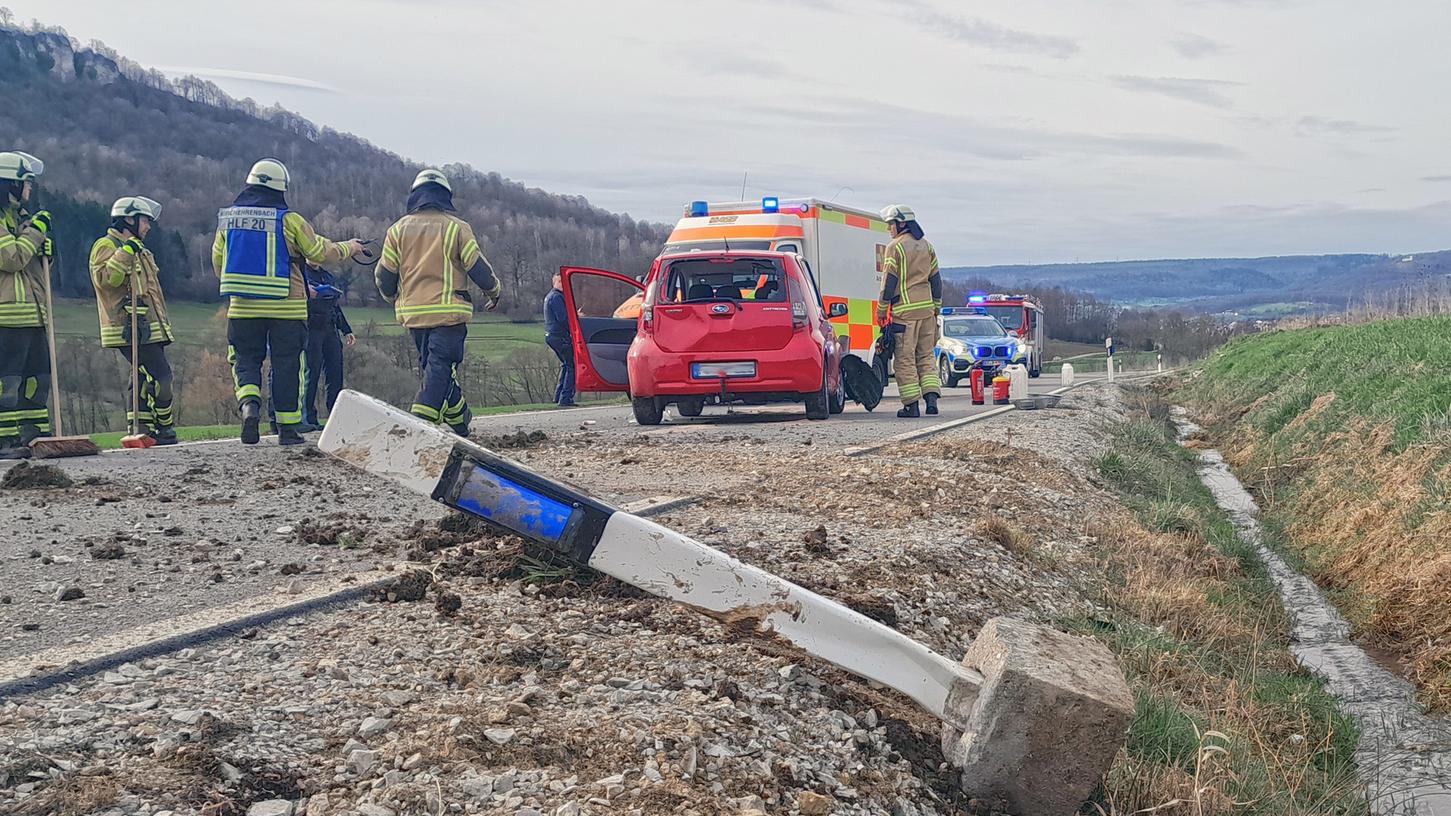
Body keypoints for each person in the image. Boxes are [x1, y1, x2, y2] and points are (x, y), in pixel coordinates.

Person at [212, 158, 366, 446]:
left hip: (242, 307)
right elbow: (319, 252)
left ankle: (249, 405)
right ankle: (287, 430)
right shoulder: (290, 220)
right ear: (281, 188)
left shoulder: (228, 221)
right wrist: (350, 248)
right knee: (287, 365)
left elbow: (218, 262)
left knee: (245, 360)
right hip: (287, 307)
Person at [375, 168, 501, 435]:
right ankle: (422, 419)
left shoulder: (397, 230)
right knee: (441, 365)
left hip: (413, 314)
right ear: (446, 197)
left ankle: (459, 417)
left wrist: (391, 296)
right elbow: (477, 266)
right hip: (449, 313)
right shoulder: (457, 228)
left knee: (434, 368)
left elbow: (384, 274)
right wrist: (494, 291)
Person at [89, 196, 177, 444]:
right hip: (126, 328)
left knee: (140, 377)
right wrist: (124, 253)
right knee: (162, 377)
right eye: (145, 220)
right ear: (129, 219)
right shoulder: (105, 245)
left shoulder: (142, 249)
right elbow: (107, 281)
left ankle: (140, 428)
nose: (148, 226)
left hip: (149, 326)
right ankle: (165, 427)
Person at [0, 151, 52, 460]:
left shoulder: (17, 220)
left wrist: (46, 252)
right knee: (7, 380)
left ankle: (34, 435)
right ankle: (3, 440)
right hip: (6, 316)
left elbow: (29, 264)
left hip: (32, 313)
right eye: (25, 183)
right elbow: (11, 258)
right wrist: (36, 233)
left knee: (38, 378)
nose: (29, 190)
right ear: (9, 184)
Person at [876, 204, 943, 418]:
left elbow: (889, 282)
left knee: (904, 359)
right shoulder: (927, 246)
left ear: (901, 223)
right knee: (926, 356)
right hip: (927, 312)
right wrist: (936, 307)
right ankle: (931, 398)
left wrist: (881, 309)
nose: (889, 229)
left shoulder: (895, 247)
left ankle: (911, 406)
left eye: (890, 225)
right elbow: (936, 280)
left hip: (904, 314)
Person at [301, 264, 355, 429]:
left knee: (335, 373)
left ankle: (334, 416)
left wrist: (346, 330)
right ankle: (308, 418)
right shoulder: (302, 274)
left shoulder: (326, 275)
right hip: (312, 328)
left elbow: (335, 306)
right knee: (312, 373)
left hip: (330, 328)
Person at [544, 272, 575, 407]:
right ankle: (565, 398)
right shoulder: (557, 297)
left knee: (566, 364)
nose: (562, 285)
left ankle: (558, 396)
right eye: (560, 282)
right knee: (572, 366)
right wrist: (574, 325)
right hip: (559, 336)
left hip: (551, 336)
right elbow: (562, 318)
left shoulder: (551, 296)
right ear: (554, 283)